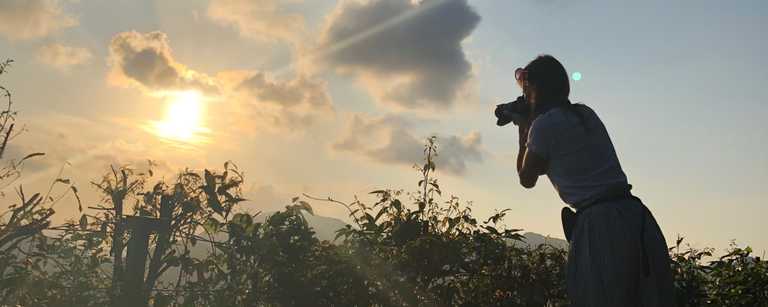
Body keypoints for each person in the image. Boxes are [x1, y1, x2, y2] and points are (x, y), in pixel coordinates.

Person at [501, 55, 676, 306]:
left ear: (535, 89)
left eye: (527, 89)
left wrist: (522, 131)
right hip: (636, 217)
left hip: (600, 226)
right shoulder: (585, 114)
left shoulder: (542, 127)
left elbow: (526, 178)